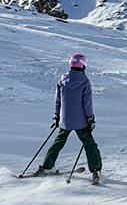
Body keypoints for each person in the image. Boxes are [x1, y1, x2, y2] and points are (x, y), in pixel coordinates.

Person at [32, 53, 104, 184]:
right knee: (90, 145)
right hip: (81, 121)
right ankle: (95, 171)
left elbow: (58, 100)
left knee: (58, 143)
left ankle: (47, 167)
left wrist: (57, 116)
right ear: (83, 66)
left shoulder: (63, 80)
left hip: (64, 120)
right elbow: (87, 103)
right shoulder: (84, 82)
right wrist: (90, 119)